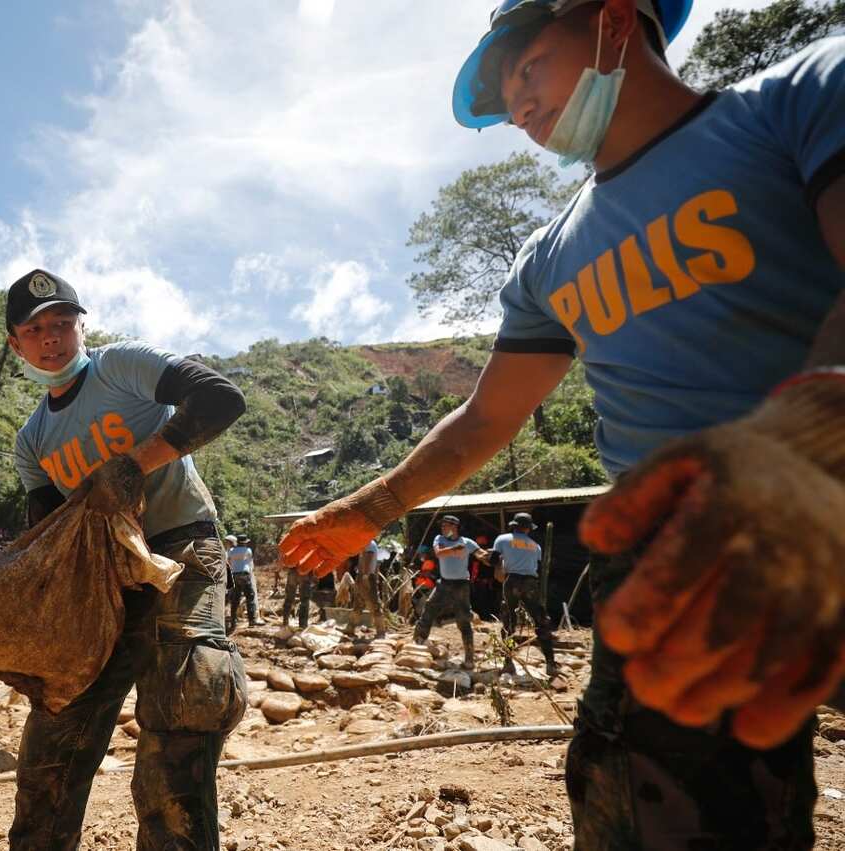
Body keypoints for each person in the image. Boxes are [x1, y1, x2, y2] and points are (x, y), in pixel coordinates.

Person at [282, 3, 845, 846]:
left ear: (616, 20)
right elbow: (485, 420)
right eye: (504, 92)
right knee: (645, 804)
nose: (516, 105)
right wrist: (369, 510)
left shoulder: (799, 97)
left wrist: (807, 433)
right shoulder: (550, 257)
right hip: (663, 566)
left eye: (528, 66)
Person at [5, 268, 247, 849]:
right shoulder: (32, 442)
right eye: (35, 329)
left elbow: (219, 398)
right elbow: (49, 534)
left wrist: (135, 464)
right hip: (103, 578)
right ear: (16, 344)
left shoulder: (120, 367)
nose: (52, 337)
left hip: (181, 548)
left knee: (182, 711)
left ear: (80, 325)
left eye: (62, 322)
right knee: (55, 734)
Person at [412, 516, 489, 668]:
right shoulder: (439, 539)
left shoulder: (467, 542)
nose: (442, 529)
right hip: (444, 583)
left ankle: (469, 658)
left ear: (455, 527)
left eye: (445, 526)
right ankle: (418, 642)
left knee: (463, 620)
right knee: (429, 609)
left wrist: (489, 557)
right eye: (442, 526)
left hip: (461, 585)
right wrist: (455, 549)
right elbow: (439, 553)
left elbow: (480, 554)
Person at [493, 513, 559, 677]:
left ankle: (508, 663)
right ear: (528, 529)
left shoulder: (502, 539)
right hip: (530, 583)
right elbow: (535, 564)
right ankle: (550, 664)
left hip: (511, 581)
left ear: (513, 526)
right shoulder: (536, 546)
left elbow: (494, 559)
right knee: (541, 621)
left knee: (509, 622)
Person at [351, 539, 387, 638]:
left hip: (367, 576)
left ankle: (380, 630)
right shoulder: (365, 543)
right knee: (358, 603)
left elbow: (369, 557)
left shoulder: (369, 544)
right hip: (363, 575)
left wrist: (365, 576)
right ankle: (350, 627)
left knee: (374, 603)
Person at [226, 534, 262, 631]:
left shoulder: (231, 551)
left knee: (235, 599)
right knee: (250, 597)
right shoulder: (248, 550)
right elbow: (250, 563)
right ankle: (251, 621)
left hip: (234, 575)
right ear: (245, 542)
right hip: (245, 575)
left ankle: (233, 622)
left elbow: (228, 561)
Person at [281, 563, 315, 629]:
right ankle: (302, 625)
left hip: (293, 570)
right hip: (305, 570)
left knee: (289, 598)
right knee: (304, 601)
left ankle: (285, 621)